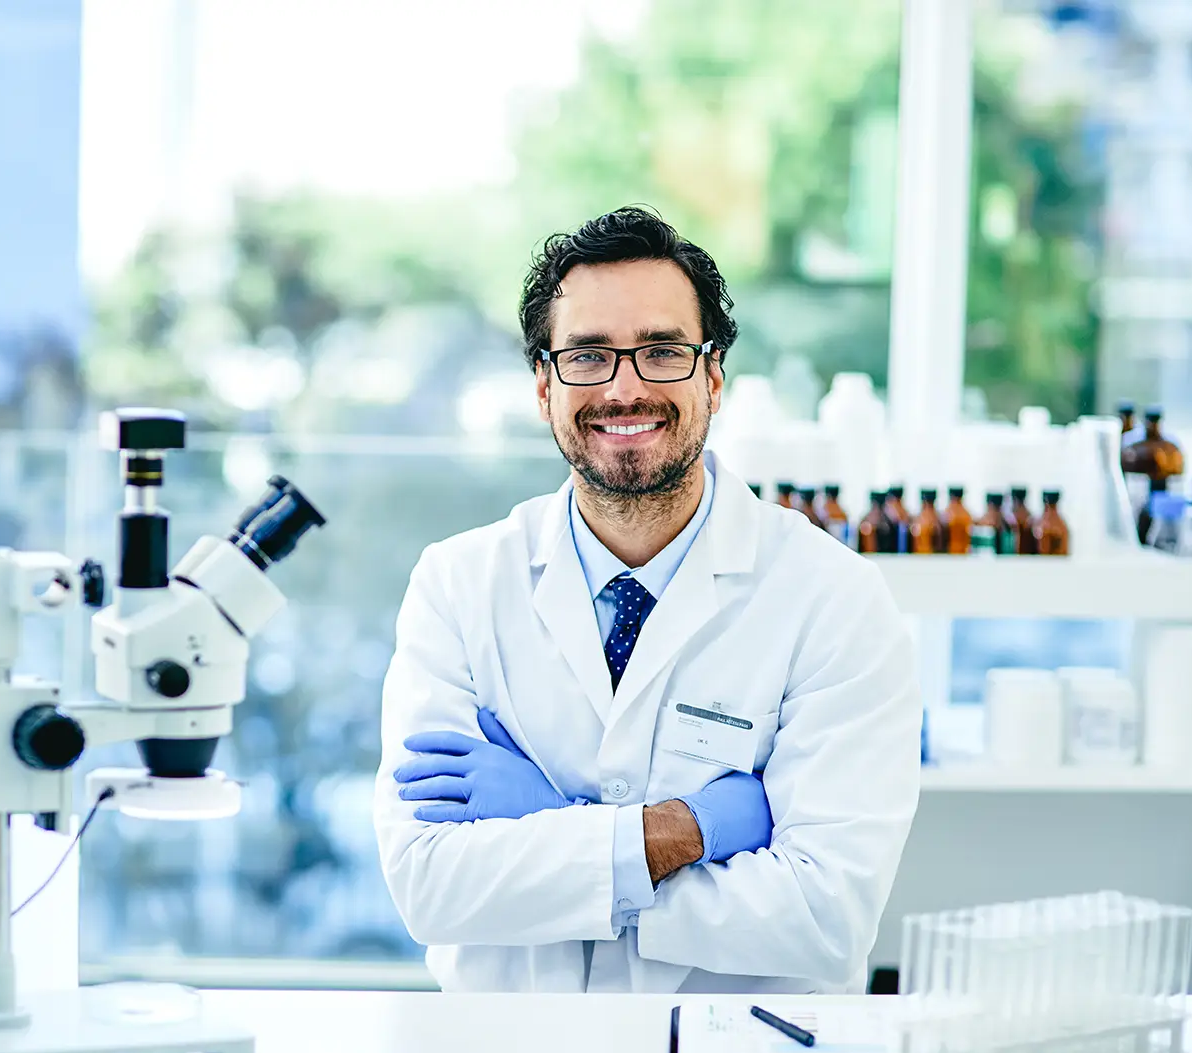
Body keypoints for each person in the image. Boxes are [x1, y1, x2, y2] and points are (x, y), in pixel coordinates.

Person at [372, 207, 921, 994]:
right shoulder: (458, 585)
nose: (625, 389)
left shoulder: (832, 599)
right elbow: (430, 888)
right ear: (543, 385)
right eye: (589, 356)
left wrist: (547, 827)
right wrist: (686, 830)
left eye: (662, 352)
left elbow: (826, 916)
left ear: (714, 376)